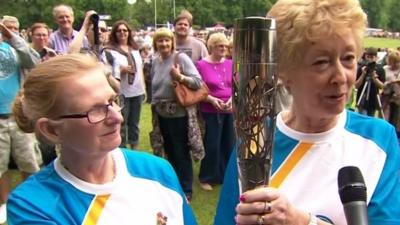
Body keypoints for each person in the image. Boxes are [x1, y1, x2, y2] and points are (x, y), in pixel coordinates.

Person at [214, 0, 400, 224]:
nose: (341, 76)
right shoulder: (255, 142)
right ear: (284, 71)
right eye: (322, 62)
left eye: (348, 58)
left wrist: (303, 222)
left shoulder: (378, 140)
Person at [7, 54, 197, 225]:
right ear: (51, 130)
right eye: (95, 111)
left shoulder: (156, 170)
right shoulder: (34, 206)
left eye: (112, 101)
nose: (117, 118)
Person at [150, 27, 204, 201]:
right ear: (155, 43)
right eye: (160, 40)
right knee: (168, 150)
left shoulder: (181, 58)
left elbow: (198, 82)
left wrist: (180, 77)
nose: (164, 43)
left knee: (181, 152)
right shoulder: (155, 61)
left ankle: (186, 189)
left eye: (167, 40)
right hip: (161, 114)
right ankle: (173, 185)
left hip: (179, 114)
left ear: (172, 42)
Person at [0, 19, 41, 224]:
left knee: (29, 161)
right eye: (7, 26)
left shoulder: (16, 49)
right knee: (0, 166)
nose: (10, 30)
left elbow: (34, 61)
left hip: (17, 116)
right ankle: (5, 205)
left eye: (15, 27)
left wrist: (12, 37)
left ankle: (31, 199)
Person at [195, 32, 234, 191]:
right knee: (212, 143)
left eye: (225, 46)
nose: (223, 48)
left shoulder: (231, 63)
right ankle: (206, 176)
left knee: (228, 142)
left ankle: (224, 174)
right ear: (211, 47)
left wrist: (232, 99)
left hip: (229, 109)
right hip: (210, 109)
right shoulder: (201, 65)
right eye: (220, 46)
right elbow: (198, 88)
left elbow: (235, 85)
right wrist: (211, 99)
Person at [102, 20, 145, 149]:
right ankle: (122, 149)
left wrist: (144, 89)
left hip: (136, 91)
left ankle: (134, 148)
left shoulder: (135, 49)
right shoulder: (109, 51)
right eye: (119, 30)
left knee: (134, 123)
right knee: (122, 122)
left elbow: (140, 69)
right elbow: (106, 71)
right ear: (114, 33)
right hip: (121, 92)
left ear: (129, 33)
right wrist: (121, 70)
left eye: (125, 30)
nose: (122, 33)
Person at [355, 47, 385, 117]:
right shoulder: (362, 68)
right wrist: (363, 74)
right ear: (365, 56)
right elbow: (356, 86)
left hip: (373, 99)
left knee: (370, 117)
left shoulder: (380, 69)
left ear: (376, 57)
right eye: (368, 57)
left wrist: (375, 78)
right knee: (360, 117)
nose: (370, 60)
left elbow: (382, 86)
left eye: (372, 57)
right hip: (361, 98)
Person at [382, 51, 400, 131]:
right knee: (384, 115)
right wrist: (388, 83)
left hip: (398, 97)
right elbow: (381, 83)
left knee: (396, 118)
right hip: (386, 96)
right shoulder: (385, 69)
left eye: (398, 62)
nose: (396, 64)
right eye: (394, 62)